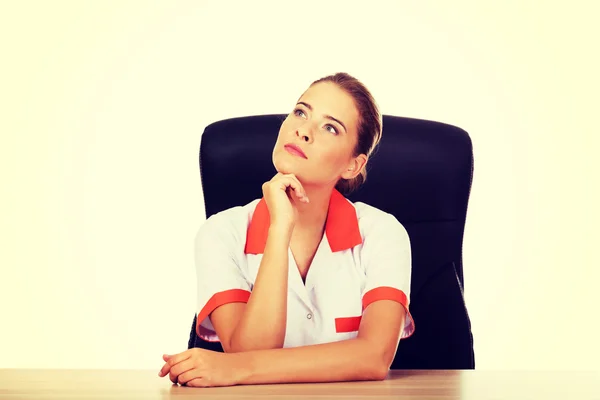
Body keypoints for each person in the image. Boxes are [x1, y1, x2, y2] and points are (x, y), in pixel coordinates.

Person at [158, 72, 415, 387]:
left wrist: (235, 367)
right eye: (301, 111)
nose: (303, 130)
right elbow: (248, 353)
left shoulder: (383, 233)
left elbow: (374, 358)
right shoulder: (221, 233)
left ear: (352, 166)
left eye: (330, 127)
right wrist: (279, 231)